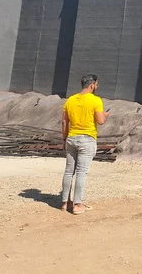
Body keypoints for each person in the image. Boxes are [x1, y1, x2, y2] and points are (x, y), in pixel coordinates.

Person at [60, 74, 109, 215]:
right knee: (81, 172)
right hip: (87, 139)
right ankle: (78, 204)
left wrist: (64, 139)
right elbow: (100, 121)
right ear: (92, 85)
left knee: (69, 171)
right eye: (97, 84)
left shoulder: (70, 100)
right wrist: (105, 115)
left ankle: (65, 203)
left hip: (71, 138)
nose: (97, 87)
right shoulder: (95, 100)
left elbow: (64, 121)